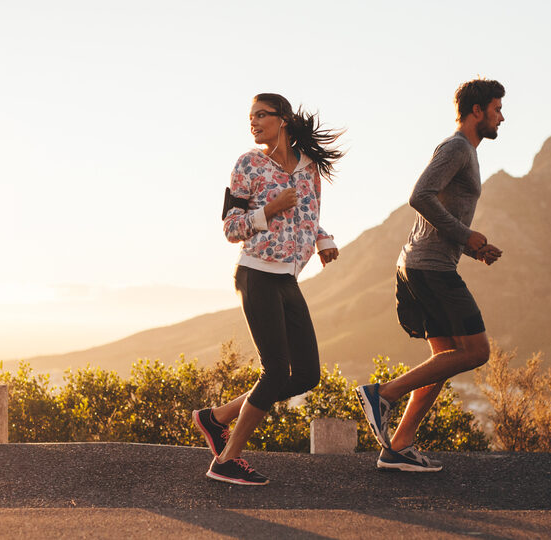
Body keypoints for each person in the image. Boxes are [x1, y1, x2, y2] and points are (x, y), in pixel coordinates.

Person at [192, 93, 343, 486]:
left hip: (287, 277)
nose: (254, 122)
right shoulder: (248, 164)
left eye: (262, 115)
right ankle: (227, 460)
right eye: (251, 117)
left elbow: (309, 218)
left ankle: (216, 418)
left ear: (284, 119)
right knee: (275, 371)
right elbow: (230, 228)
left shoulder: (309, 169)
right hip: (256, 273)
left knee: (307, 374)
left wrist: (323, 239)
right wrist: (270, 208)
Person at [355, 79, 505, 472]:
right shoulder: (457, 147)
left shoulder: (466, 152)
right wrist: (464, 235)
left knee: (443, 361)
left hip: (426, 263)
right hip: (429, 268)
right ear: (477, 111)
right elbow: (419, 194)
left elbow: (441, 213)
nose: (501, 117)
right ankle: (382, 394)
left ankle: (399, 446)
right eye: (496, 109)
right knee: (476, 352)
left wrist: (472, 247)